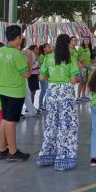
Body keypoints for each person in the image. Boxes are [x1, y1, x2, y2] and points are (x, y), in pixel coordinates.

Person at [36, 34, 80, 170]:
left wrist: (52, 76)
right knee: (66, 125)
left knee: (52, 123)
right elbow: (74, 80)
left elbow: (42, 77)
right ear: (68, 44)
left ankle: (46, 156)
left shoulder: (49, 58)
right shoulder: (71, 59)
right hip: (66, 93)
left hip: (52, 93)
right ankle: (63, 158)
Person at [0, 25, 31, 162]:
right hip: (15, 91)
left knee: (4, 119)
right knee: (11, 122)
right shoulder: (18, 54)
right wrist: (30, 60)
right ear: (18, 38)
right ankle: (13, 151)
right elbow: (26, 74)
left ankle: (2, 149)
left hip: (2, 89)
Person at [38, 43, 52, 111]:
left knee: (48, 90)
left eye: (50, 47)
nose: (50, 48)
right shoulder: (42, 56)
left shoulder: (50, 56)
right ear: (44, 49)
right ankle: (40, 105)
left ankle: (46, 104)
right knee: (43, 90)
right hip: (43, 76)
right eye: (48, 47)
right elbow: (41, 67)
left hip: (48, 76)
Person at [26, 45, 41, 111]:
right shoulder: (30, 57)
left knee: (33, 92)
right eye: (36, 49)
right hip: (31, 75)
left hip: (35, 75)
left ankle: (31, 106)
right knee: (31, 92)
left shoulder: (36, 57)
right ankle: (29, 107)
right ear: (31, 50)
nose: (37, 50)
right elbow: (30, 66)